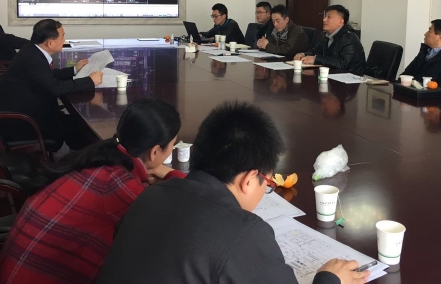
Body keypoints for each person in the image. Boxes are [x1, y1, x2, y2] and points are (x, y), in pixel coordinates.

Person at [96, 102, 369, 284]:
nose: (266, 187)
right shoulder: (243, 232)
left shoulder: (149, 195)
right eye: (267, 181)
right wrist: (330, 279)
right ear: (249, 180)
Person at [0, 98, 184, 284]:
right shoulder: (122, 188)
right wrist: (171, 174)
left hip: (14, 271)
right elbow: (182, 211)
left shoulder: (97, 161)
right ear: (155, 152)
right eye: (172, 145)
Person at [0, 19, 103, 149]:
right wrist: (89, 81)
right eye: (62, 36)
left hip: (25, 111)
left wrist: (74, 69)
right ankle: (88, 157)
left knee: (74, 124)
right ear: (50, 43)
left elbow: (47, 77)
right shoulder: (33, 59)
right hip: (19, 123)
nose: (64, 40)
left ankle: (82, 157)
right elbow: (55, 88)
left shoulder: (31, 51)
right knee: (78, 128)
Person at [295, 5, 366, 76]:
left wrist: (315, 59)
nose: (324, 19)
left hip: (349, 78)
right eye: (325, 16)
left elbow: (343, 64)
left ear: (340, 22)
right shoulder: (324, 35)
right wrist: (303, 54)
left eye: (329, 17)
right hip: (331, 75)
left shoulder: (350, 38)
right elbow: (315, 50)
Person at [400, 19, 441, 95]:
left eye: (429, 31)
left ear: (440, 37)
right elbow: (406, 74)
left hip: (428, 98)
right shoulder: (426, 52)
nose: (425, 34)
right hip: (413, 94)